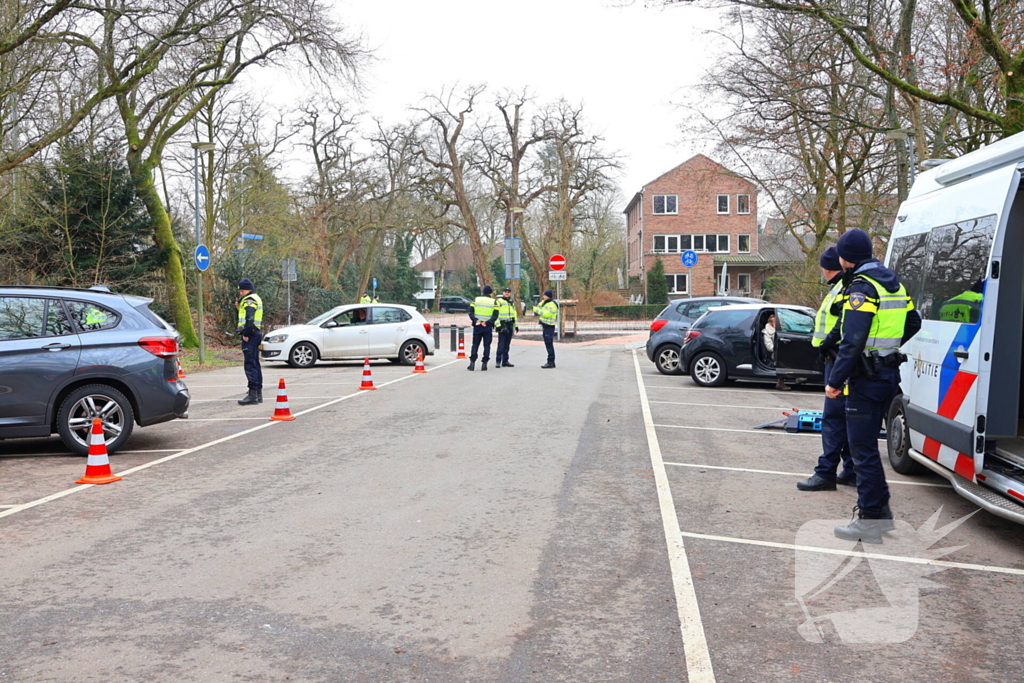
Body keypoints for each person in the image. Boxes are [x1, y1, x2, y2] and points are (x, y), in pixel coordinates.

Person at [825, 229, 921, 543]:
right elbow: (914, 322)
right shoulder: (893, 283)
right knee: (867, 449)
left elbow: (852, 340)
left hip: (866, 380)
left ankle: (869, 520)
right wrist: (887, 350)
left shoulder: (861, 287)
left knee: (862, 451)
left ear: (845, 257)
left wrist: (834, 381)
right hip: (889, 375)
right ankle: (881, 515)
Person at [797, 246, 856, 492]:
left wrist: (827, 345)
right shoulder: (849, 286)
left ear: (827, 268)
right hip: (846, 359)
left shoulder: (844, 288)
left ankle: (826, 473)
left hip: (838, 359)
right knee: (848, 417)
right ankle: (851, 470)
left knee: (833, 418)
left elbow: (842, 324)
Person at [236, 278, 264, 406]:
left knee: (250, 364)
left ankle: (252, 395)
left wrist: (246, 333)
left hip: (251, 334)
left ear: (249, 290)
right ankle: (258, 394)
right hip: (255, 333)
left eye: (242, 290)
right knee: (255, 364)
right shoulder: (254, 298)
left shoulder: (249, 300)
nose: (240, 292)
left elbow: (249, 317)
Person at [467, 285, 498, 371]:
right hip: (487, 327)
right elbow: (495, 315)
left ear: (483, 291)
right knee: (487, 345)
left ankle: (472, 363)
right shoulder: (493, 302)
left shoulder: (476, 300)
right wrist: (487, 322)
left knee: (475, 345)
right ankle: (484, 364)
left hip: (477, 326)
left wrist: (476, 320)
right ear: (490, 293)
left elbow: (470, 311)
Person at [762, 313, 789, 390]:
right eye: (776, 322)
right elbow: (769, 347)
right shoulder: (766, 333)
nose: (779, 324)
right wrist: (780, 349)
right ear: (771, 323)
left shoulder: (782, 331)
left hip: (784, 351)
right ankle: (780, 382)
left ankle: (799, 376)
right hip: (775, 353)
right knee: (784, 359)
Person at [533, 289, 559, 369]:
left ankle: (550, 361)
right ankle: (551, 362)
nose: (543, 297)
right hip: (545, 326)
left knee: (549, 344)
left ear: (548, 296)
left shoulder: (552, 305)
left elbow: (546, 314)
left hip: (549, 326)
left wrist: (536, 310)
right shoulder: (546, 303)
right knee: (548, 344)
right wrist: (541, 303)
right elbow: (539, 306)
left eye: (544, 295)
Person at [494, 286, 518, 368]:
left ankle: (505, 361)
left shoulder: (511, 302)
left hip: (510, 324)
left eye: (508, 292)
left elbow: (514, 314)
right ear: (503, 293)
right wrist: (498, 326)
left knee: (507, 344)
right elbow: (496, 314)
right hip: (502, 324)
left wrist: (516, 325)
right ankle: (498, 361)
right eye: (505, 292)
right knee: (501, 344)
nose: (507, 293)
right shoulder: (499, 301)